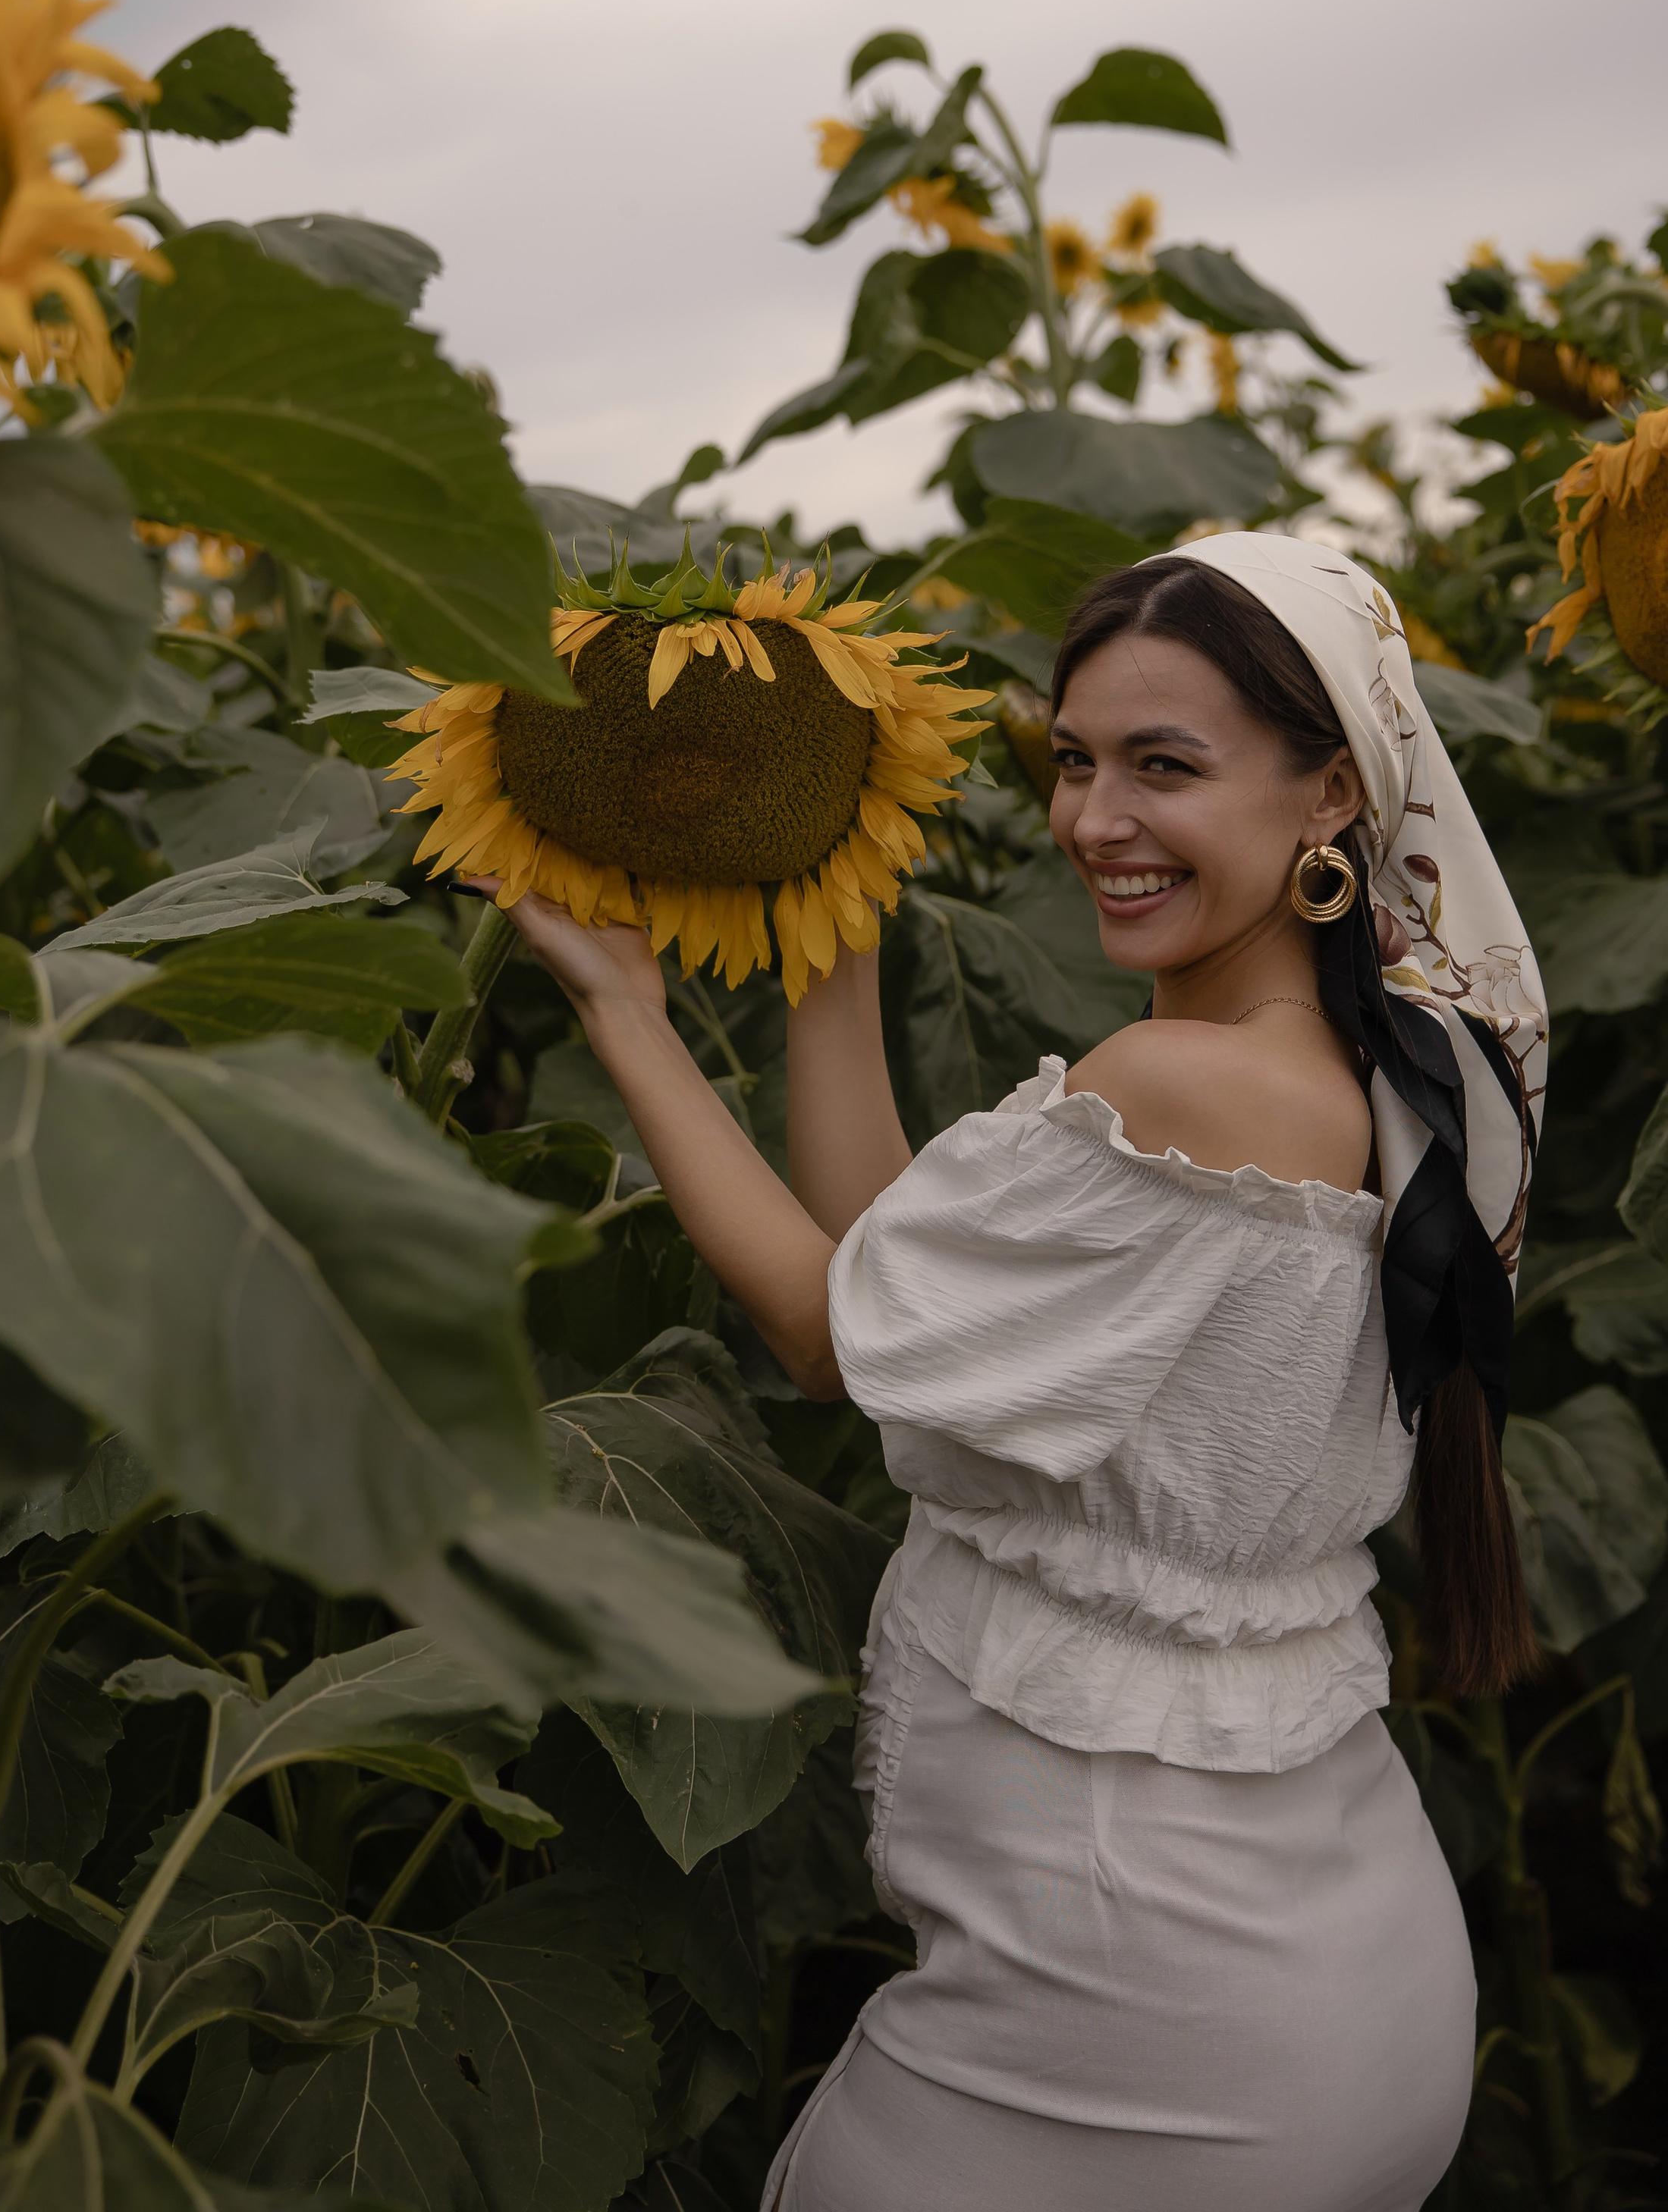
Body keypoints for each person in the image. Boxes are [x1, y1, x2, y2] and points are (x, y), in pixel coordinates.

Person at [488, 532, 1547, 2212]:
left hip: (1141, 2017)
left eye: (1162, 768)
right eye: (1068, 762)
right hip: (1303, 1962)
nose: (1091, 821)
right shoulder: (1378, 1067)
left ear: (1330, 792)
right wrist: (828, 937)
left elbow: (827, 1335)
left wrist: (623, 1010)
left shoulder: (1187, 1083)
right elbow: (919, 1283)